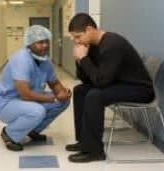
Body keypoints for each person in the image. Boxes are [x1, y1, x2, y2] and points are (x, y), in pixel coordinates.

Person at [66, 13, 154, 163]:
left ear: (89, 29)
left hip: (139, 89)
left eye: (78, 36)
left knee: (95, 95)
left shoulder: (112, 44)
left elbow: (101, 82)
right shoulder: (92, 46)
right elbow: (88, 79)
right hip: (118, 83)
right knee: (80, 90)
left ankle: (95, 151)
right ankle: (84, 142)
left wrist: (84, 59)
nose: (76, 41)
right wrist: (79, 60)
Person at [0, 25, 71, 151]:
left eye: (46, 42)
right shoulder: (21, 59)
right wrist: (54, 98)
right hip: (6, 103)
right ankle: (9, 134)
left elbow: (54, 83)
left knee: (64, 101)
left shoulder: (45, 61)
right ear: (29, 43)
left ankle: (32, 130)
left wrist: (63, 92)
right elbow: (25, 94)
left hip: (28, 101)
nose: (45, 45)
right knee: (37, 111)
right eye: (40, 42)